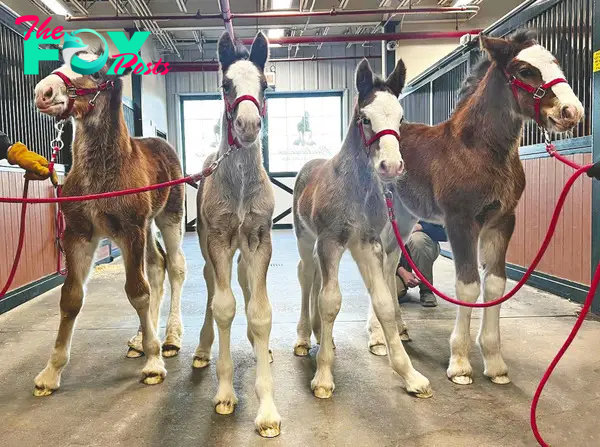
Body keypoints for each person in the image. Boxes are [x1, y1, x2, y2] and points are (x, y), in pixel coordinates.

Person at [396, 221, 447, 308]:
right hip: (395, 257)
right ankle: (399, 279)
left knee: (418, 240)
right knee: (391, 293)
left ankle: (426, 290)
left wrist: (422, 227)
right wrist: (402, 271)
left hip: (421, 244)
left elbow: (447, 233)